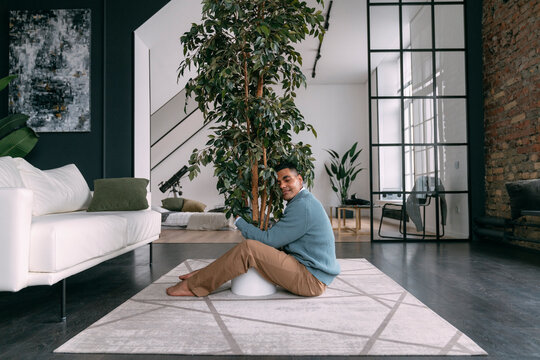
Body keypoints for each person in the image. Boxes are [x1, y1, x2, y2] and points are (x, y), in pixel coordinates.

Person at [166, 161, 340, 297]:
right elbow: (280, 235)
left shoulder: (304, 206)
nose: (282, 186)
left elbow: (269, 240)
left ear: (300, 179)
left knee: (249, 248)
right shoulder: (303, 201)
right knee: (251, 248)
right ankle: (204, 275)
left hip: (311, 280)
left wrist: (239, 220)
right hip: (310, 272)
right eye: (279, 182)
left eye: (287, 179)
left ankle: (194, 286)